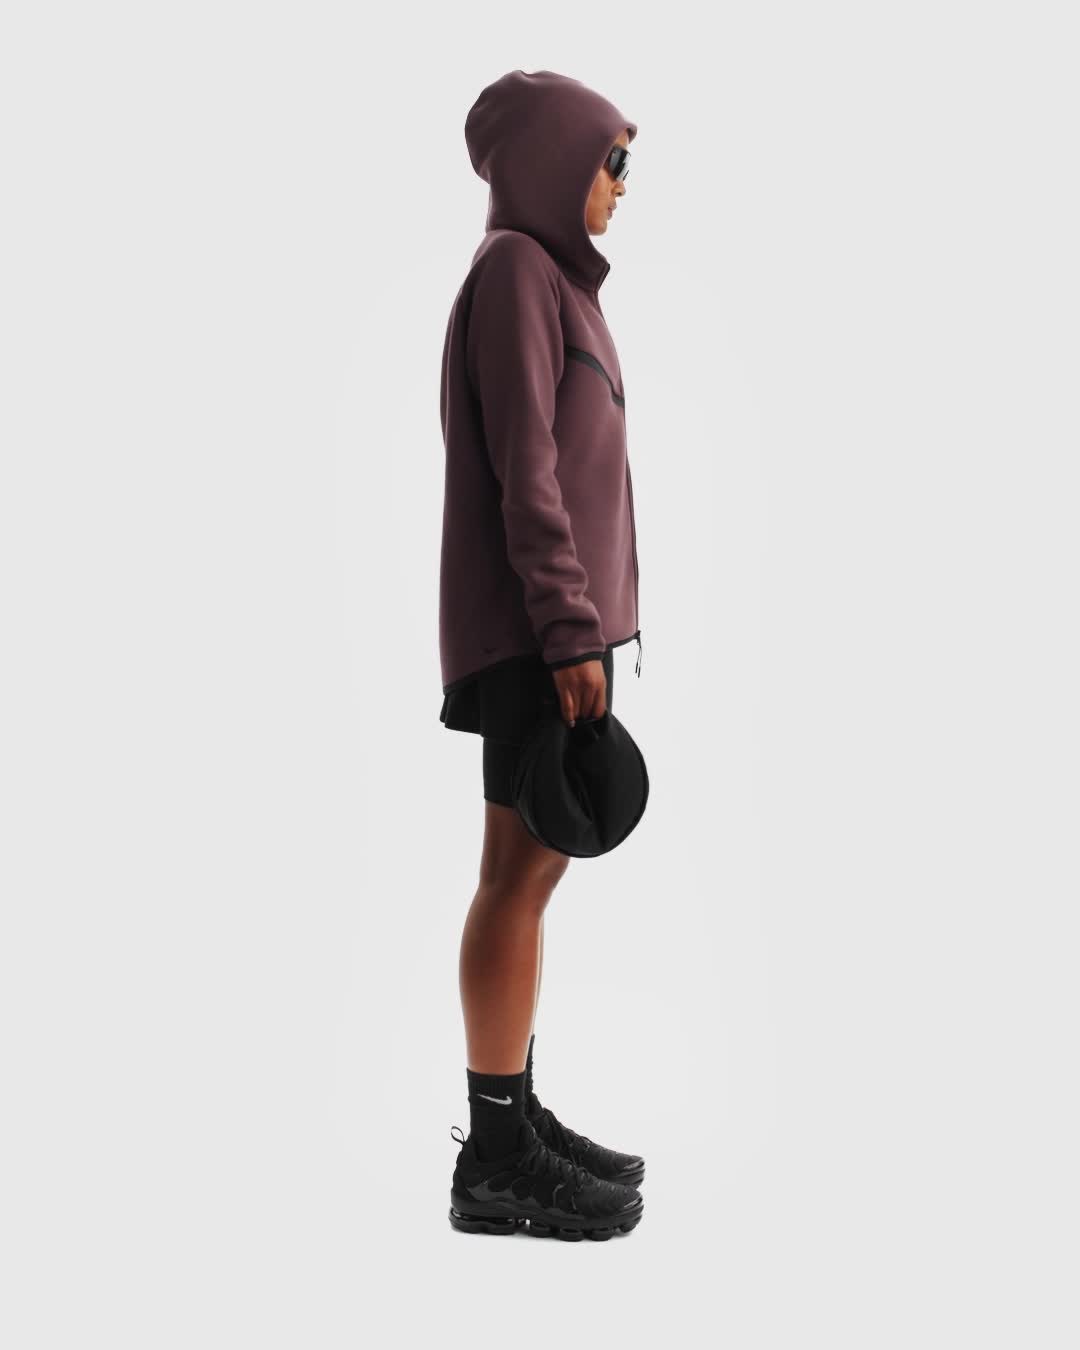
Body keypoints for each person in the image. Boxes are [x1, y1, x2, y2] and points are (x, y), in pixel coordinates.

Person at [438, 70, 645, 1241]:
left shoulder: (549, 278)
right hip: (533, 632)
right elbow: (528, 471)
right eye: (609, 160)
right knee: (518, 877)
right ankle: (497, 1155)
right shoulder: (517, 269)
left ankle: (510, 1113)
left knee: (528, 872)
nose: (621, 184)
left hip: (549, 627)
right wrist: (571, 631)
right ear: (556, 160)